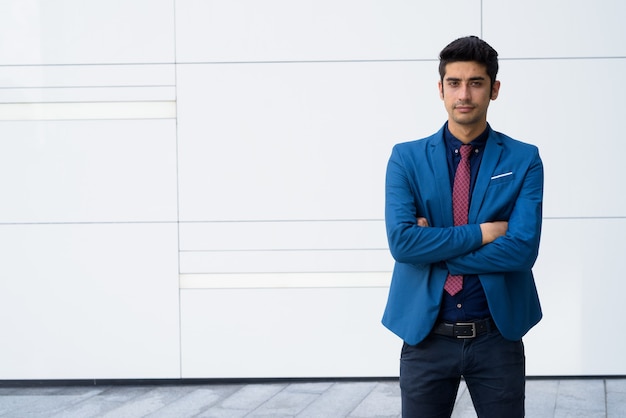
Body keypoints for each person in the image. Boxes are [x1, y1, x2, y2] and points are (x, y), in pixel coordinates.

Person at [382, 36, 543, 417]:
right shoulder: (406, 158)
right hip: (426, 336)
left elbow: (522, 250)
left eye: (476, 82)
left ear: (494, 89)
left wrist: (434, 248)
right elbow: (403, 244)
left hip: (496, 336)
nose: (464, 94)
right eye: (454, 83)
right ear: (440, 90)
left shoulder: (524, 159)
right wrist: (484, 234)